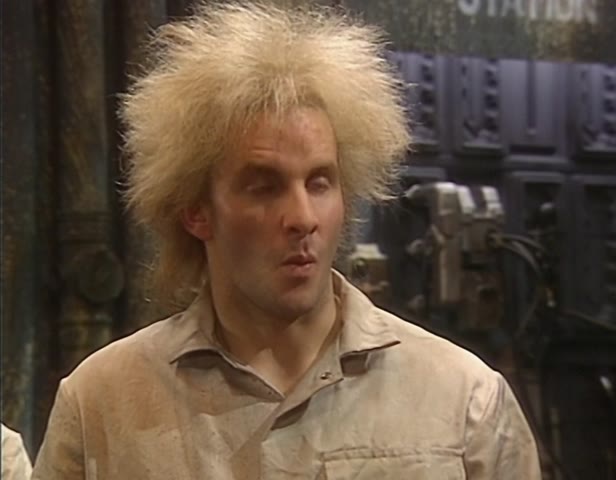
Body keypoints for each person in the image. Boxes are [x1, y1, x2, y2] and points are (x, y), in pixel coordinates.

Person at [33, 2, 542, 478]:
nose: (302, 218)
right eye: (264, 187)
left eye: (319, 182)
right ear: (196, 211)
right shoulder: (101, 404)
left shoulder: (464, 400)